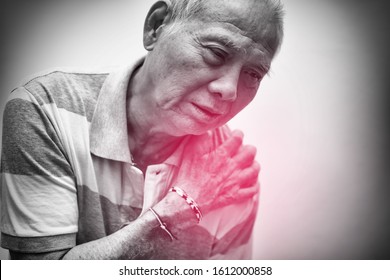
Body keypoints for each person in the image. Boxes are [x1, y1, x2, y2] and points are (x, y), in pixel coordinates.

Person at [0, 0, 284, 259]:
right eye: (216, 52)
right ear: (156, 27)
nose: (229, 90)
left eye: (253, 74)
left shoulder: (231, 173)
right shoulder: (47, 106)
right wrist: (177, 211)